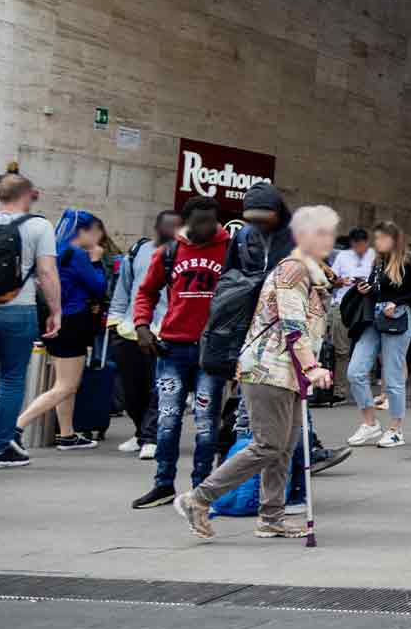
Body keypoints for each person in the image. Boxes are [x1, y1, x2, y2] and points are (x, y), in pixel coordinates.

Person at [172, 204, 337, 539]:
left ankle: (271, 517)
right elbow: (292, 325)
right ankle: (198, 498)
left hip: (286, 372)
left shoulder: (313, 274)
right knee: (267, 443)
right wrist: (312, 367)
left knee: (284, 446)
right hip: (269, 368)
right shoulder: (294, 270)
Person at [128, 198, 230, 509]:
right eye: (200, 221)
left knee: (205, 422)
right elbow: (146, 291)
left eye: (211, 221)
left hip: (210, 351)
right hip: (173, 347)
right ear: (187, 221)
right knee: (168, 420)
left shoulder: (230, 250)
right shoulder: (170, 252)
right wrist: (142, 326)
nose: (207, 228)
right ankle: (163, 484)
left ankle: (202, 488)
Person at [0, 173, 61, 469]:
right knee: (12, 379)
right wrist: (56, 311)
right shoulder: (39, 226)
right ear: (28, 195)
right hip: (18, 309)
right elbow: (48, 273)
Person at [15, 209, 110, 450]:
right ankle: (14, 428)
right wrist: (97, 260)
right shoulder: (77, 254)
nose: (98, 239)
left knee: (64, 381)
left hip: (54, 318)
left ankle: (67, 434)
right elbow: (98, 287)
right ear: (84, 231)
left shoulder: (54, 249)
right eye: (96, 233)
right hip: (74, 321)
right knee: (66, 385)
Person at [345, 222, 411, 449]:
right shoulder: (379, 262)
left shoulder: (408, 262)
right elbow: (381, 288)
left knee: (392, 376)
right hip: (375, 317)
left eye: (382, 238)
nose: (377, 242)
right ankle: (370, 423)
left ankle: (395, 428)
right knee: (355, 371)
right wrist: (367, 289)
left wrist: (397, 302)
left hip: (398, 318)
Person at [108, 210, 179, 458]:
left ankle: (151, 436)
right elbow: (123, 288)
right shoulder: (138, 250)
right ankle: (142, 433)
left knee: (158, 388)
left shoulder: (185, 253)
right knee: (132, 391)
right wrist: (114, 323)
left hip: (165, 330)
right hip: (130, 330)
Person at [323, 228, 374, 407]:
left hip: (366, 307)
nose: (359, 248)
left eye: (362, 244)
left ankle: (365, 386)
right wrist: (341, 281)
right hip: (343, 305)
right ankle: (339, 391)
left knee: (368, 347)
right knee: (341, 351)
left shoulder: (374, 256)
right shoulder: (343, 256)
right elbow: (331, 279)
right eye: (356, 245)